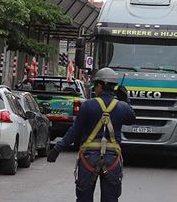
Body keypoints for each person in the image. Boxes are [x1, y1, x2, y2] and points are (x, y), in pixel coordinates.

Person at [47, 67, 136, 202]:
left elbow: (74, 131)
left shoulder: (88, 105)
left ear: (100, 85)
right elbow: (131, 119)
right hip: (112, 159)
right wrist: (126, 100)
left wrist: (57, 148)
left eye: (96, 85)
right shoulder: (122, 107)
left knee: (84, 198)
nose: (95, 89)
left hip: (89, 158)